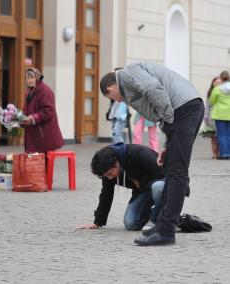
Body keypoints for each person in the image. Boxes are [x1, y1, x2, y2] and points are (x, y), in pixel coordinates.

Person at [100, 62, 204, 246]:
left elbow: (154, 90)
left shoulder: (127, 74)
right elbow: (158, 109)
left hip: (184, 108)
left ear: (110, 86)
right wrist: (167, 145)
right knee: (171, 170)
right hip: (186, 108)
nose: (117, 101)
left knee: (177, 172)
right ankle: (162, 226)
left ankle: (166, 232)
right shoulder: (128, 86)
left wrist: (170, 124)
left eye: (111, 97)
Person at [77, 143, 165, 230]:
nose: (110, 178)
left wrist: (142, 184)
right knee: (130, 223)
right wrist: (97, 222)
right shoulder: (106, 168)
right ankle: (157, 217)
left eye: (110, 174)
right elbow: (106, 194)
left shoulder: (138, 153)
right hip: (143, 190)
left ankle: (168, 218)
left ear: (116, 163)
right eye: (106, 176)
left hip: (164, 182)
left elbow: (164, 173)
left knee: (158, 187)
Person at [21, 68, 64, 153]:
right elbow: (26, 109)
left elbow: (48, 111)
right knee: (35, 163)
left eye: (31, 77)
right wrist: (21, 119)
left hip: (44, 135)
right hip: (34, 135)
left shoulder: (45, 91)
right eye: (27, 78)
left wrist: (32, 118)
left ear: (37, 78)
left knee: (45, 163)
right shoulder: (29, 91)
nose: (29, 80)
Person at [209, 71, 230, 160]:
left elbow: (212, 101)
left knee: (222, 135)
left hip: (220, 114)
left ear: (221, 78)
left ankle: (224, 154)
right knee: (229, 134)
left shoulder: (217, 89)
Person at [201, 77, 221, 158]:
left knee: (219, 136)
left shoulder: (222, 91)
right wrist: (206, 116)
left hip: (219, 116)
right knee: (213, 137)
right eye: (215, 82)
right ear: (213, 83)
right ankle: (214, 153)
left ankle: (219, 153)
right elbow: (207, 105)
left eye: (219, 82)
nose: (217, 84)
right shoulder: (210, 92)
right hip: (211, 116)